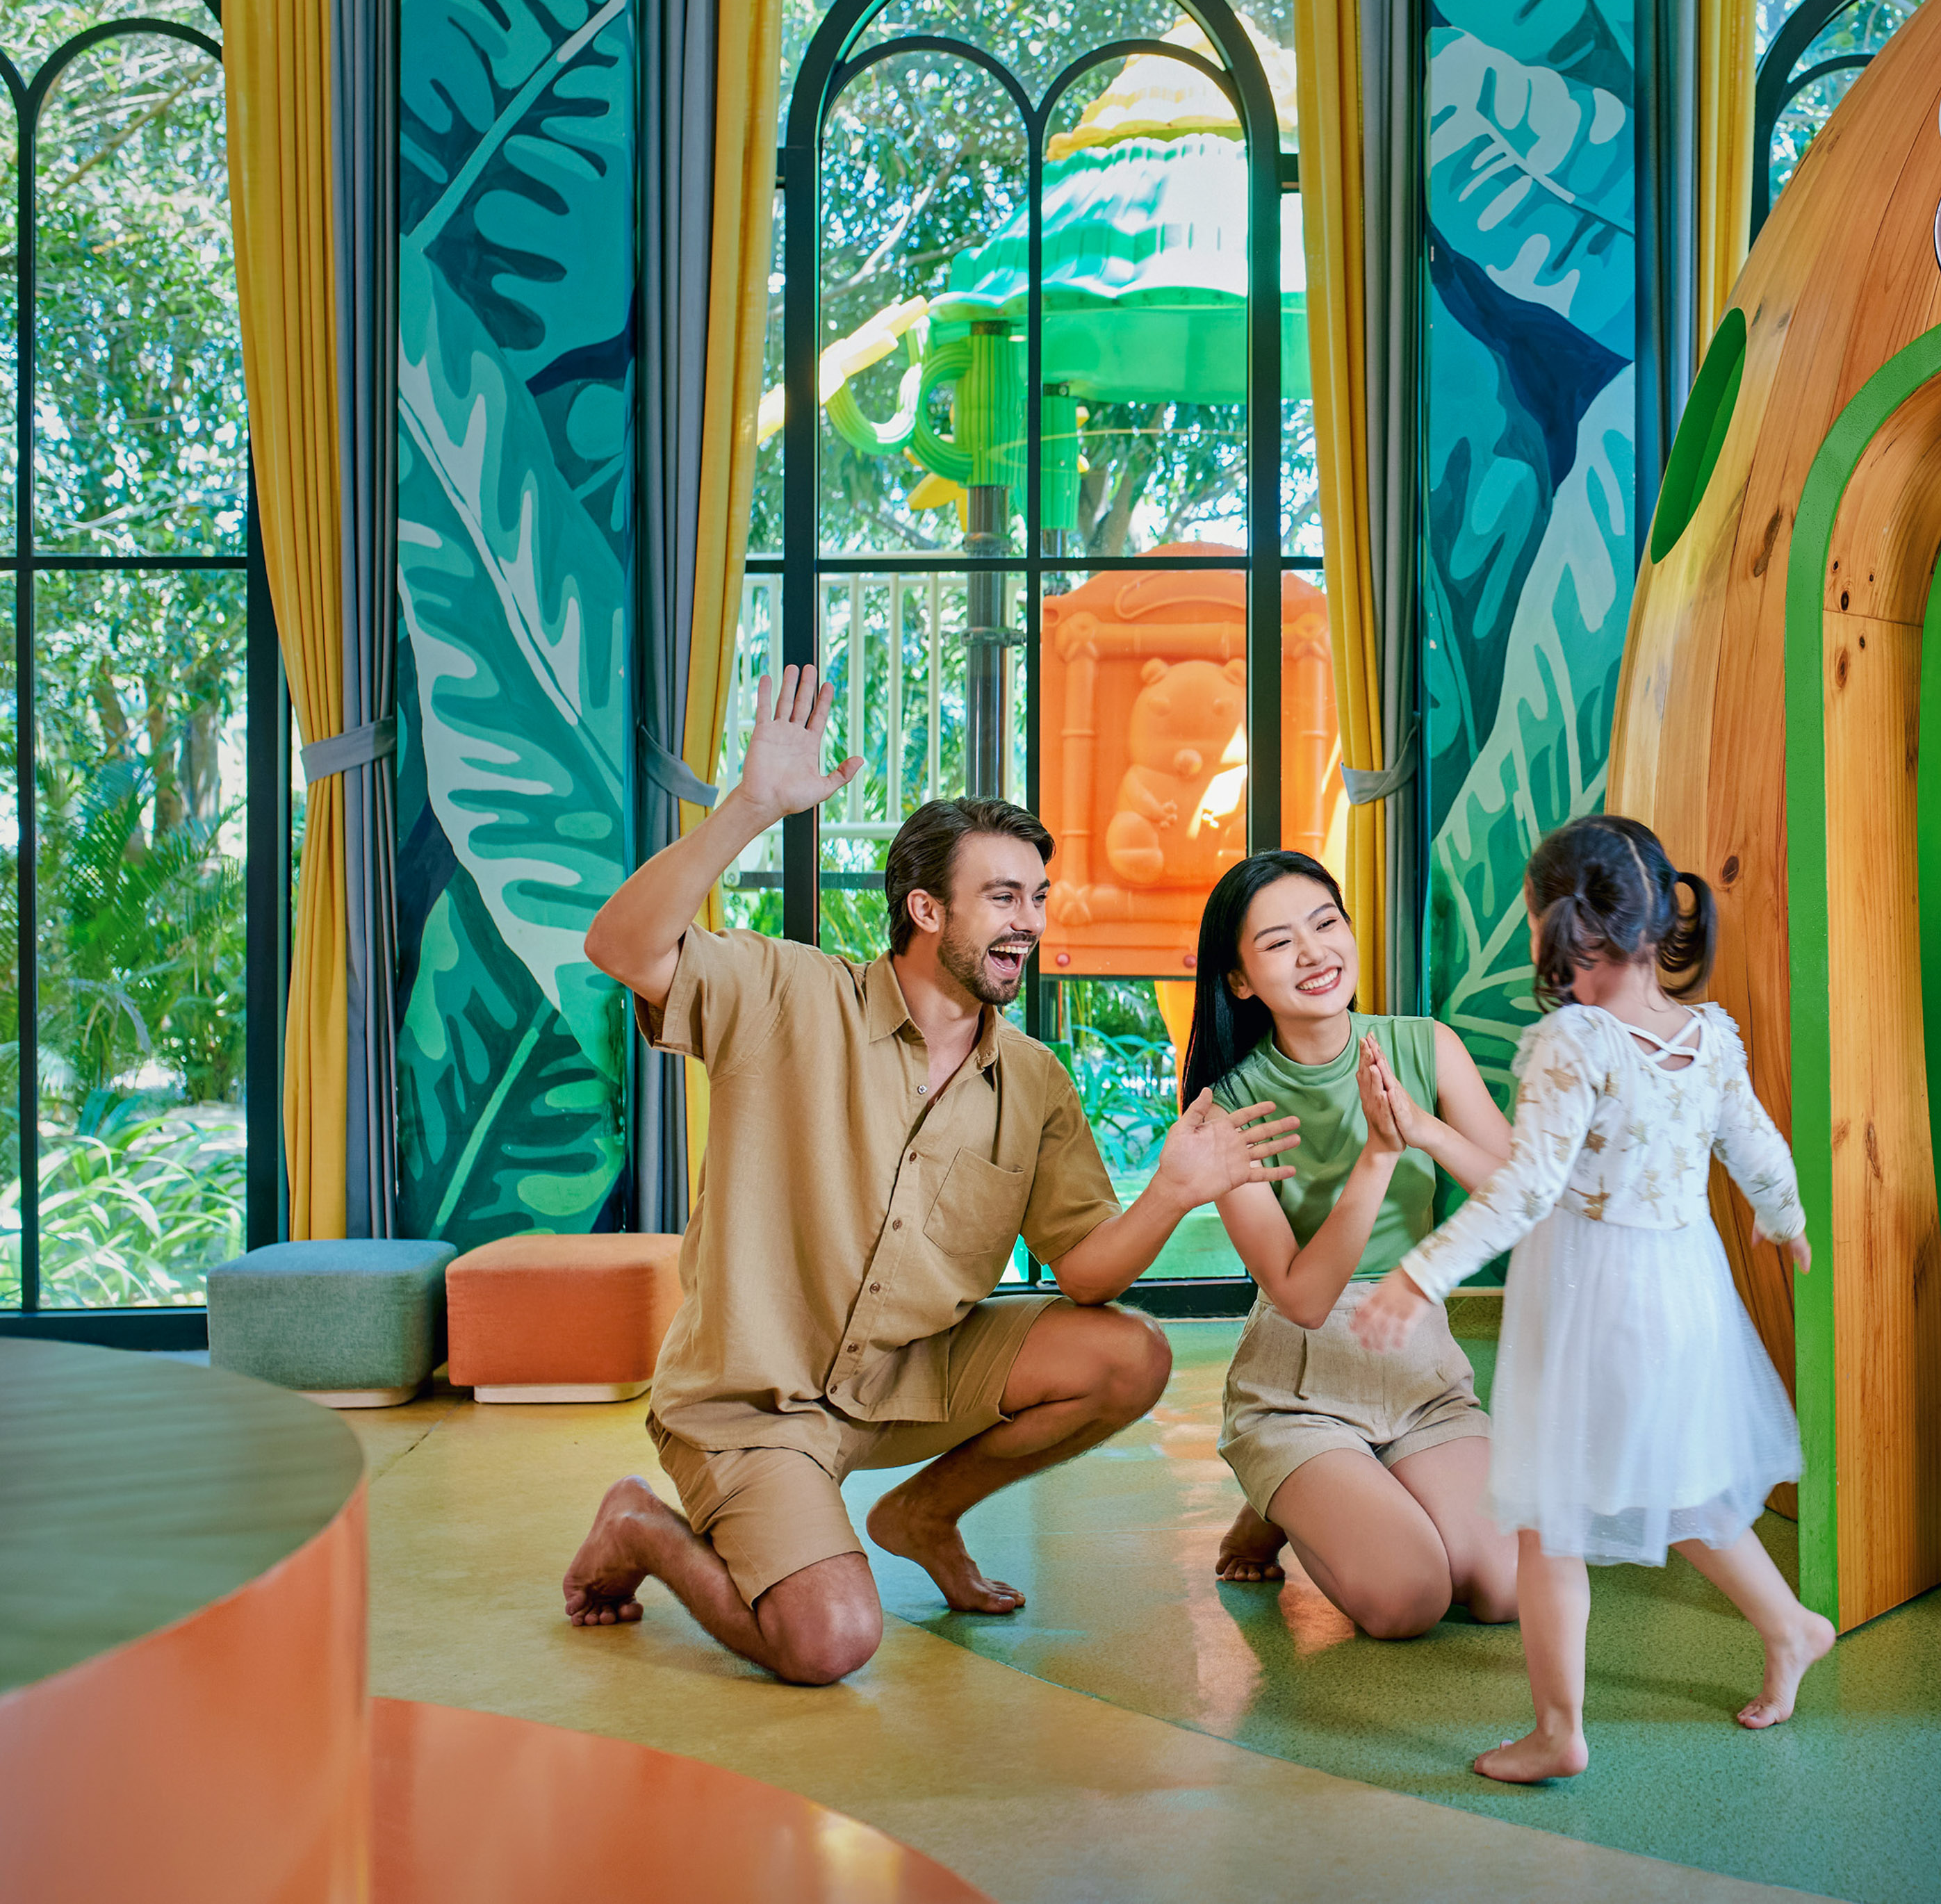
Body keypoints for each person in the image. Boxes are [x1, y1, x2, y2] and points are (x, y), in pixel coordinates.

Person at [559, 666, 1299, 1686]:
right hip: (755, 1401)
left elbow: (1086, 1275)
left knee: (1129, 1354)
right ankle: (640, 1523)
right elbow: (620, 943)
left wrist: (1174, 1188)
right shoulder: (788, 994)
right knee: (827, 1641)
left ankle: (924, 1511)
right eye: (1002, 896)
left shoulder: (1032, 1079)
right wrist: (751, 807)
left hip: (908, 1374)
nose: (1030, 921)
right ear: (922, 908)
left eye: (1038, 897)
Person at [1357, 814, 1834, 1781]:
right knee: (1680, 1481)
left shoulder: (1572, 1039)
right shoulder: (1707, 1034)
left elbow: (1529, 1187)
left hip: (1591, 1299)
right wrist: (1783, 1220)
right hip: (1685, 1294)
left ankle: (1558, 1730)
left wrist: (1420, 1270)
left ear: (1555, 926)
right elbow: (1758, 1146)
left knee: (1550, 1516)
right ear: (1659, 915)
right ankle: (1792, 1625)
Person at [1185, 851, 1521, 1636]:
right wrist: (1377, 1155)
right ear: (1238, 980)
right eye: (1277, 943)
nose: (1313, 952)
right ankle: (1283, 1484)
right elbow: (1300, 1297)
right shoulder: (1223, 1106)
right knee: (1409, 1599)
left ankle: (1323, 1492)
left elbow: (1520, 1195)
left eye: (1326, 923)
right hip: (1300, 1381)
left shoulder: (1425, 1045)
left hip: (1422, 1371)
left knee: (1504, 1590)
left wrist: (1425, 1129)